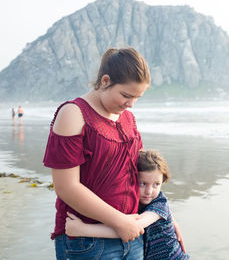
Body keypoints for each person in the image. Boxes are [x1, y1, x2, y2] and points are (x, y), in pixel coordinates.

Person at [43, 47, 153, 259]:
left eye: (137, 98)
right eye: (126, 95)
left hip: (131, 235)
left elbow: (139, 173)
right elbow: (66, 187)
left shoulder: (128, 118)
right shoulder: (73, 114)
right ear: (105, 81)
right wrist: (120, 222)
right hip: (87, 242)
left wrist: (164, 214)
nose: (130, 104)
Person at [65, 150, 189, 259]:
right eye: (143, 183)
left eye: (156, 184)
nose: (149, 191)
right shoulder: (136, 202)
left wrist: (82, 229)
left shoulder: (159, 205)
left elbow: (131, 228)